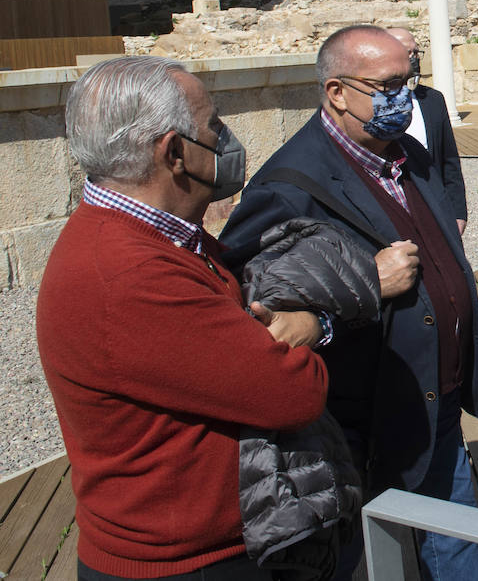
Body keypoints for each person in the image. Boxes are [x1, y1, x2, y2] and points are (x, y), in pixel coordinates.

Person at [37, 57, 329, 580]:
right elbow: (294, 393)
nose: (225, 138)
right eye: (213, 124)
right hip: (183, 565)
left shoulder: (154, 236)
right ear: (175, 152)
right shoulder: (129, 273)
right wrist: (307, 329)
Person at [220, 25, 478, 581]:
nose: (405, 97)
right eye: (389, 85)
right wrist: (364, 284)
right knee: (356, 559)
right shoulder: (288, 186)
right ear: (337, 92)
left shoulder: (408, 155)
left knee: (456, 545)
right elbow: (258, 321)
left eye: (409, 81)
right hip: (358, 426)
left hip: (434, 402)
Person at [386, 27, 469, 235]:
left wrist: (459, 212)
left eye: (416, 52)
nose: (414, 58)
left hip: (434, 206)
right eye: (408, 53)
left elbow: (449, 159)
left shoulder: (432, 99)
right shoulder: (372, 103)